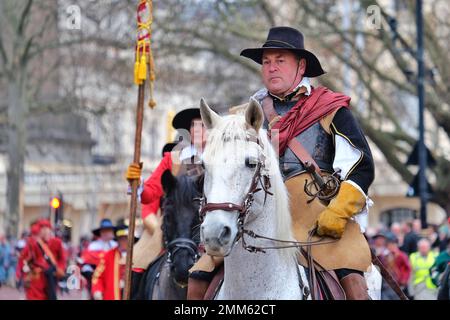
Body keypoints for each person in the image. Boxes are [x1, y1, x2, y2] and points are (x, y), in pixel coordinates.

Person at [188, 26, 375, 300]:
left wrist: (337, 212)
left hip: (317, 218)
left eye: (280, 60)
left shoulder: (331, 108)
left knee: (353, 283)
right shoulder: (243, 115)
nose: (271, 67)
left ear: (301, 66)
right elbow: (223, 165)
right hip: (256, 217)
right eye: (266, 62)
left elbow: (361, 167)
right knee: (197, 280)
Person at [125, 108, 207, 298]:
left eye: (202, 126)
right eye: (193, 127)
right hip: (177, 226)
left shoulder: (224, 159)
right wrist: (137, 184)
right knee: (138, 260)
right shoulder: (174, 159)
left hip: (211, 226)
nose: (197, 130)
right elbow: (150, 193)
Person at [16, 219, 66, 300]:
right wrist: (25, 274)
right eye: (42, 228)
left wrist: (58, 270)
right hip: (36, 278)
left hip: (50, 277)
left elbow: (62, 259)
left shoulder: (57, 242)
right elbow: (23, 259)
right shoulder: (32, 243)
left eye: (47, 228)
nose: (45, 231)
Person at [79, 218, 117, 298]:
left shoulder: (115, 245)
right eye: (104, 231)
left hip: (112, 276)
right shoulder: (93, 246)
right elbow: (86, 262)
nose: (107, 233)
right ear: (100, 232)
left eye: (109, 230)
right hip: (96, 277)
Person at [91, 225, 130, 300]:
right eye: (121, 239)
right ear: (117, 240)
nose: (124, 241)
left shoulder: (137, 255)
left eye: (126, 238)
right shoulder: (108, 256)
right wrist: (97, 290)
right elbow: (97, 277)